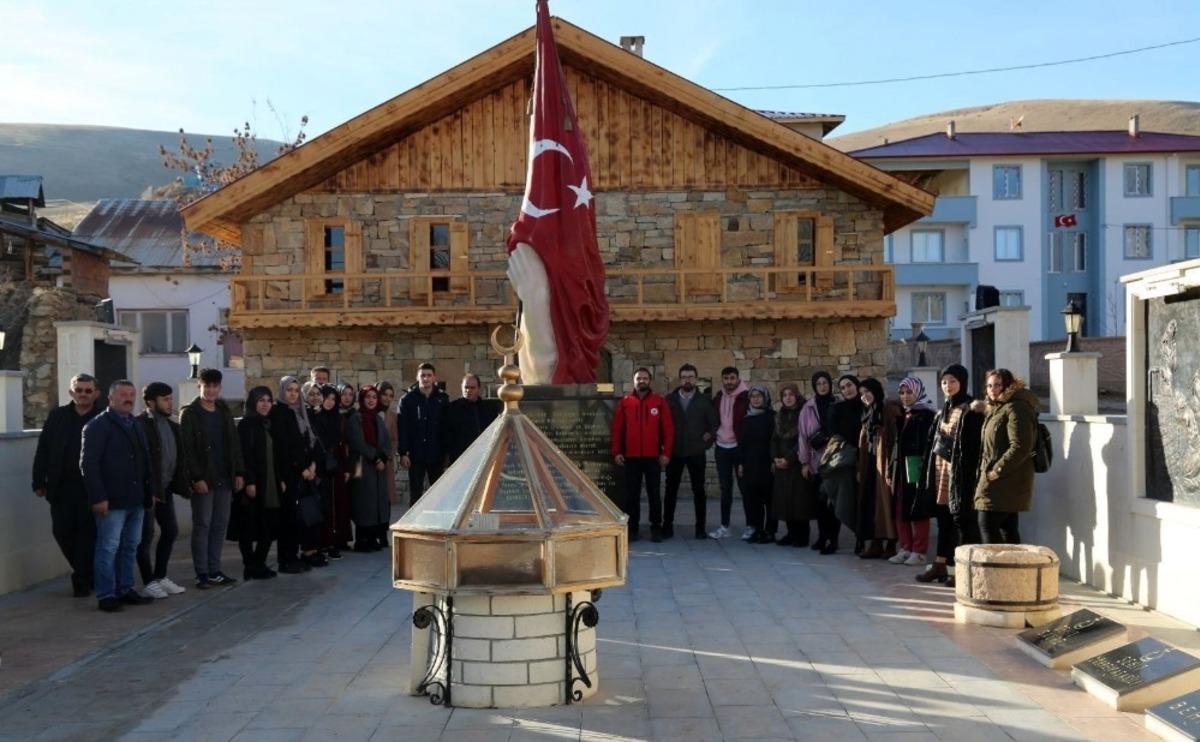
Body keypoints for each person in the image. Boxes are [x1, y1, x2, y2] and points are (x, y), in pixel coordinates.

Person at [80, 380, 155, 612]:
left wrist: (149, 492)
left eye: (131, 394)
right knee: (108, 548)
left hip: (135, 499)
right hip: (111, 500)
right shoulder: (97, 426)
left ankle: (125, 589)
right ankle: (106, 594)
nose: (128, 398)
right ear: (110, 398)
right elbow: (88, 465)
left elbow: (144, 462)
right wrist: (98, 497)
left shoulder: (135, 424)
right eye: (123, 394)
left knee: (130, 546)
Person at [32, 373, 102, 597]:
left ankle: (81, 580)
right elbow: (43, 449)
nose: (83, 394)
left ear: (96, 393)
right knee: (62, 531)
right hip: (60, 488)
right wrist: (38, 480)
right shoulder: (57, 416)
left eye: (87, 390)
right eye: (78, 390)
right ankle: (86, 572)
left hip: (91, 488)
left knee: (86, 534)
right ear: (71, 392)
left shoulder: (103, 418)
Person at [917, 364, 984, 585]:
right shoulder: (943, 409)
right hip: (940, 473)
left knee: (962, 522)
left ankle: (965, 571)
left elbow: (973, 446)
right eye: (944, 382)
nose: (948, 386)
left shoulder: (971, 409)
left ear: (962, 382)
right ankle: (940, 565)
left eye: (953, 381)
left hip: (959, 474)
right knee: (944, 520)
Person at [180, 368, 244, 589]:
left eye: (215, 386)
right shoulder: (189, 413)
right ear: (200, 386)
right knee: (203, 524)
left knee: (219, 525)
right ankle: (202, 573)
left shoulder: (224, 411)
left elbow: (234, 444)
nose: (211, 390)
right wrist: (196, 477)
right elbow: (186, 450)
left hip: (225, 477)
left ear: (220, 387)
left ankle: (215, 570)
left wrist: (239, 472)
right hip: (204, 479)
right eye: (207, 385)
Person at [973, 368, 1039, 545]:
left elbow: (1021, 446)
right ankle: (1013, 570)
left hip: (1004, 480)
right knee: (1008, 529)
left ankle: (996, 570)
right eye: (989, 385)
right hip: (1001, 482)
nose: (992, 389)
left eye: (998, 385)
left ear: (1008, 386)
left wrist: (997, 470)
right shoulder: (997, 408)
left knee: (987, 524)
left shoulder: (1016, 408)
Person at [135, 382, 188, 599]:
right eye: (165, 399)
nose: (169, 403)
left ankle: (160, 576)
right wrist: (150, 488)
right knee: (145, 537)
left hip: (165, 490)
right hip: (148, 492)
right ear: (151, 402)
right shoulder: (140, 425)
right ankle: (148, 581)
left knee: (171, 531)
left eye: (170, 398)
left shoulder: (173, 426)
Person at [610, 368, 674, 542]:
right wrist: (617, 451)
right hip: (631, 458)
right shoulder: (625, 402)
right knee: (632, 495)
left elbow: (668, 430)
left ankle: (656, 528)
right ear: (634, 381)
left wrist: (666, 453)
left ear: (650, 381)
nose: (642, 381)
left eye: (645, 378)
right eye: (639, 378)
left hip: (653, 457)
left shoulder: (659, 402)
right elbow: (617, 430)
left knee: (654, 495)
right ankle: (633, 529)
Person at [270, 375, 325, 572]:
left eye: (295, 390)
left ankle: (296, 556)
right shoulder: (278, 412)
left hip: (305, 472)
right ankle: (286, 560)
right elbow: (284, 446)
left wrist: (312, 465)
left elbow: (310, 441)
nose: (293, 394)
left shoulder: (302, 411)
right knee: (288, 518)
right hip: (289, 473)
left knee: (300, 518)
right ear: (282, 391)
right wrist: (300, 468)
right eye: (289, 390)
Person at [230, 387, 280, 580]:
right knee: (248, 527)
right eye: (261, 400)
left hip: (269, 483)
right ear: (253, 402)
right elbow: (244, 455)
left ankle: (259, 563)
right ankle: (250, 565)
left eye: (268, 400)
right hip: (253, 483)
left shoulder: (268, 424)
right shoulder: (246, 425)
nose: (265, 404)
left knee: (268, 526)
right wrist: (249, 480)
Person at [664, 364, 718, 539]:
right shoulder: (669, 400)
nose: (687, 379)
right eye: (684, 377)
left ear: (696, 379)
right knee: (670, 490)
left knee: (699, 491)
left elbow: (714, 425)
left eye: (691, 376)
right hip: (675, 451)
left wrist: (707, 440)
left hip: (696, 452)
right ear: (680, 379)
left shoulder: (704, 401)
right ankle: (667, 526)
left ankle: (700, 528)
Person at [888, 377, 936, 566]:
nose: (905, 396)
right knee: (901, 508)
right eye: (902, 392)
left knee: (918, 509)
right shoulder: (903, 415)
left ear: (918, 392)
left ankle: (920, 551)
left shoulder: (926, 415)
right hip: (901, 468)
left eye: (909, 392)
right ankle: (905, 547)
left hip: (917, 467)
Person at [816, 375, 862, 555]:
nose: (847, 389)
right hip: (841, 462)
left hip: (861, 460)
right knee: (830, 499)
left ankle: (861, 539)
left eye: (849, 385)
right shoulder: (836, 409)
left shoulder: (866, 407)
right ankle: (831, 540)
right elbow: (833, 434)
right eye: (842, 388)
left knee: (858, 502)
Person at [856, 378, 901, 560]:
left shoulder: (888, 410)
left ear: (876, 391)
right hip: (871, 465)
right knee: (872, 505)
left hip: (886, 464)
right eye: (862, 394)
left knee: (886, 504)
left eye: (867, 392)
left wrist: (891, 466)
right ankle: (875, 543)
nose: (865, 396)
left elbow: (894, 439)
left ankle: (891, 543)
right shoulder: (867, 412)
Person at [398, 363, 450, 504]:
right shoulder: (407, 400)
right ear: (417, 377)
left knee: (439, 493)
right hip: (416, 455)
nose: (425, 378)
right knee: (416, 494)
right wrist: (403, 453)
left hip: (436, 454)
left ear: (434, 377)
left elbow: (446, 428)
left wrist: (446, 453)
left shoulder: (443, 399)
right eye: (423, 375)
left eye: (429, 375)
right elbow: (403, 428)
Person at [348, 385, 391, 551]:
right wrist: (375, 457)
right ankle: (362, 540)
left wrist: (384, 458)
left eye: (374, 397)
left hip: (378, 468)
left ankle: (373, 538)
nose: (371, 400)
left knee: (376, 504)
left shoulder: (377, 419)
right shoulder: (356, 418)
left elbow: (386, 442)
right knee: (364, 503)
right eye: (368, 397)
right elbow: (357, 442)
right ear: (362, 399)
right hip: (363, 466)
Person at [709, 366, 749, 539]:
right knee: (725, 489)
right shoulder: (718, 397)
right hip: (722, 448)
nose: (729, 382)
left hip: (739, 448)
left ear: (738, 379)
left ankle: (751, 526)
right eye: (726, 378)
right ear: (722, 380)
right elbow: (712, 419)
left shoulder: (746, 397)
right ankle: (724, 526)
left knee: (745, 488)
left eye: (732, 378)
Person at [312, 384, 350, 559]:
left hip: (336, 465)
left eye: (333, 399)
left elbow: (342, 445)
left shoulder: (338, 418)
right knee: (323, 505)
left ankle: (334, 541)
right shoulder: (314, 416)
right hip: (320, 466)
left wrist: (346, 468)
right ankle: (322, 543)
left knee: (336, 504)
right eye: (327, 398)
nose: (330, 402)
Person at [771, 383, 811, 547]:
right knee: (785, 501)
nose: (788, 397)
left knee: (799, 501)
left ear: (796, 395)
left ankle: (802, 536)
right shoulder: (781, 415)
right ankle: (790, 533)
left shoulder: (804, 413)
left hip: (796, 463)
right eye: (785, 395)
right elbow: (774, 439)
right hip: (781, 464)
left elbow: (803, 439)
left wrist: (788, 459)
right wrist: (775, 458)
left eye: (791, 394)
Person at [798, 371, 834, 551]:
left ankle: (833, 539)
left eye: (825, 382)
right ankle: (822, 536)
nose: (822, 386)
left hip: (836, 460)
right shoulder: (808, 408)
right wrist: (804, 462)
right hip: (816, 461)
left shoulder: (837, 404)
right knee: (820, 502)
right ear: (814, 386)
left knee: (834, 502)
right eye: (819, 383)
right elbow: (803, 437)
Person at [738, 386, 775, 543]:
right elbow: (742, 442)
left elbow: (775, 440)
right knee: (754, 499)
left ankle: (770, 531)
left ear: (765, 397)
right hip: (750, 462)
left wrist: (775, 459)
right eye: (752, 396)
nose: (756, 399)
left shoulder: (772, 417)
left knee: (770, 499)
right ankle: (758, 530)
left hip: (767, 462)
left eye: (759, 396)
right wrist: (740, 463)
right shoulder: (747, 418)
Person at [444, 374, 502, 463]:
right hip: (460, 458)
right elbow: (446, 434)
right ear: (461, 387)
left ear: (478, 388)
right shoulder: (452, 409)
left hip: (483, 456)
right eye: (466, 387)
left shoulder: (488, 409)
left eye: (472, 388)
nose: (468, 390)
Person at [378, 381, 399, 505]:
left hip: (386, 461)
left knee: (386, 500)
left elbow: (395, 439)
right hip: (369, 461)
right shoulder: (368, 413)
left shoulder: (392, 416)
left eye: (391, 395)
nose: (387, 398)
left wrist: (388, 455)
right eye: (385, 394)